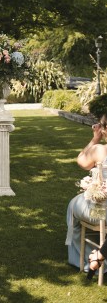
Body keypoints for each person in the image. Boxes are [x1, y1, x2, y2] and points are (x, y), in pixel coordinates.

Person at [66, 109, 107, 272]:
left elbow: (82, 161)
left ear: (104, 129)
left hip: (100, 214)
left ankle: (82, 258)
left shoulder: (99, 150)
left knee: (73, 204)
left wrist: (95, 138)